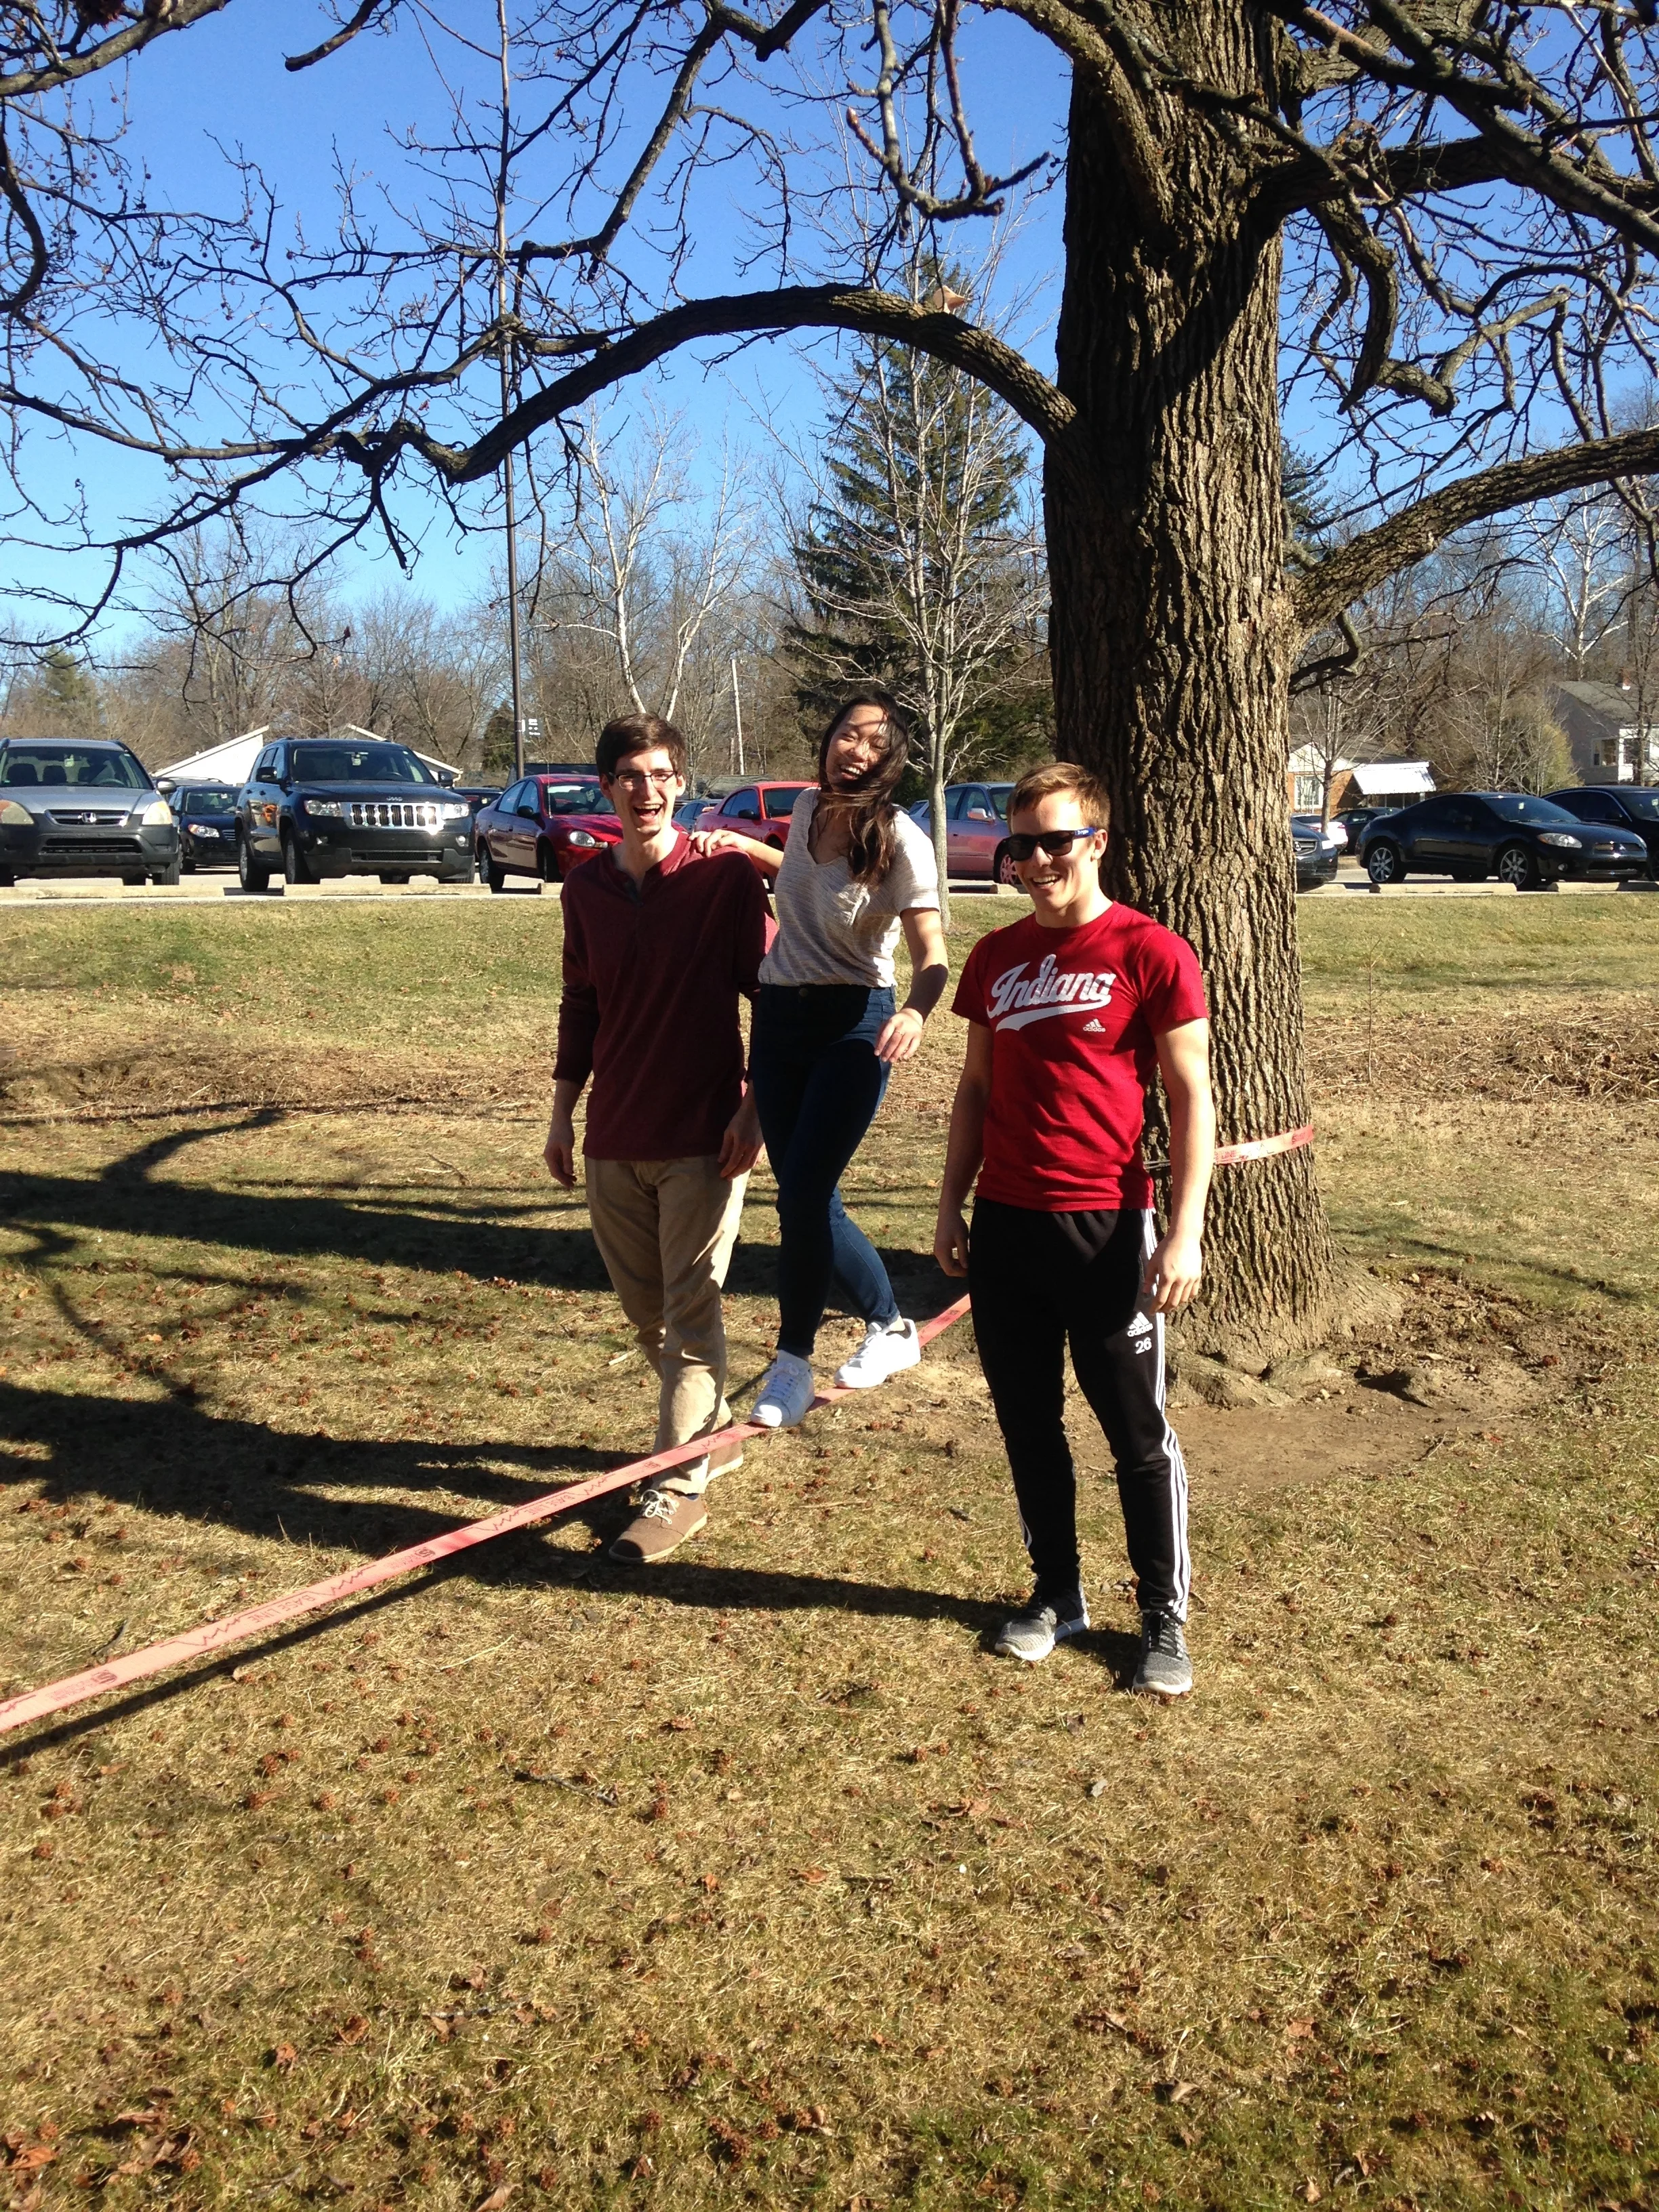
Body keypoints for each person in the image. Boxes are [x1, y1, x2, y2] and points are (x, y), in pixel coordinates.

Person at [933, 760, 1215, 1698]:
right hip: (1007, 1224)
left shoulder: (1151, 952)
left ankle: (1164, 1617)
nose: (1038, 859)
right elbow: (974, 1089)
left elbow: (1191, 1098)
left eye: (1057, 840)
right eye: (1023, 844)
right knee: (1027, 1422)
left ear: (1098, 841)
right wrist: (949, 1205)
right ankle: (1058, 1593)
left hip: (1105, 1226)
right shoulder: (996, 957)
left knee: (1135, 1432)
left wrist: (1183, 1234)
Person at [546, 713, 769, 1563]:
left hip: (704, 1137)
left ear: (682, 784)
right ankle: (710, 1431)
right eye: (631, 775)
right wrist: (563, 1114)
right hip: (614, 1136)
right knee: (649, 1318)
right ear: (608, 787)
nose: (648, 789)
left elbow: (773, 1000)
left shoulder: (722, 884)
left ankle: (675, 1490)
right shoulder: (585, 890)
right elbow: (582, 1005)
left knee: (689, 1310)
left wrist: (754, 1111)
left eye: (663, 774)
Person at [695, 689, 948, 1427]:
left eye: (874, 741)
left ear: (891, 758)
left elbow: (934, 954)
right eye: (847, 734)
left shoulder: (902, 839)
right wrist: (747, 849)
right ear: (830, 740)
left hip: (855, 1023)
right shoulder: (806, 811)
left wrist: (915, 1011)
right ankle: (891, 1326)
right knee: (810, 1194)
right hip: (779, 1021)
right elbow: (801, 880)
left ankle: (792, 1362)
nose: (856, 749)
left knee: (803, 1195)